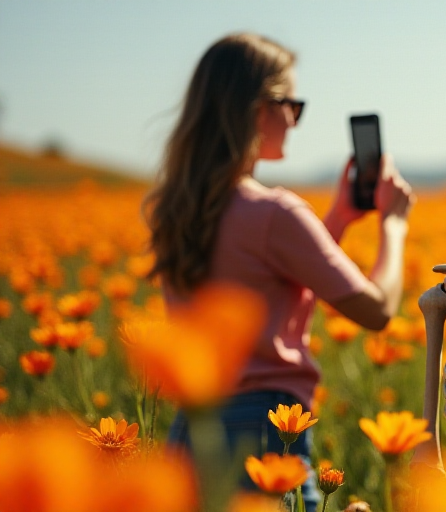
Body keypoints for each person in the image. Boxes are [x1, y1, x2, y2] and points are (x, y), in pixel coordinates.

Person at [144, 33, 414, 509]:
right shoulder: (273, 214)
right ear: (256, 110)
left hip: (191, 434)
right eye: (292, 104)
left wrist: (339, 218)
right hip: (262, 431)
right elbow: (377, 309)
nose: (294, 119)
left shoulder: (179, 209)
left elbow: (268, 275)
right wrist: (393, 226)